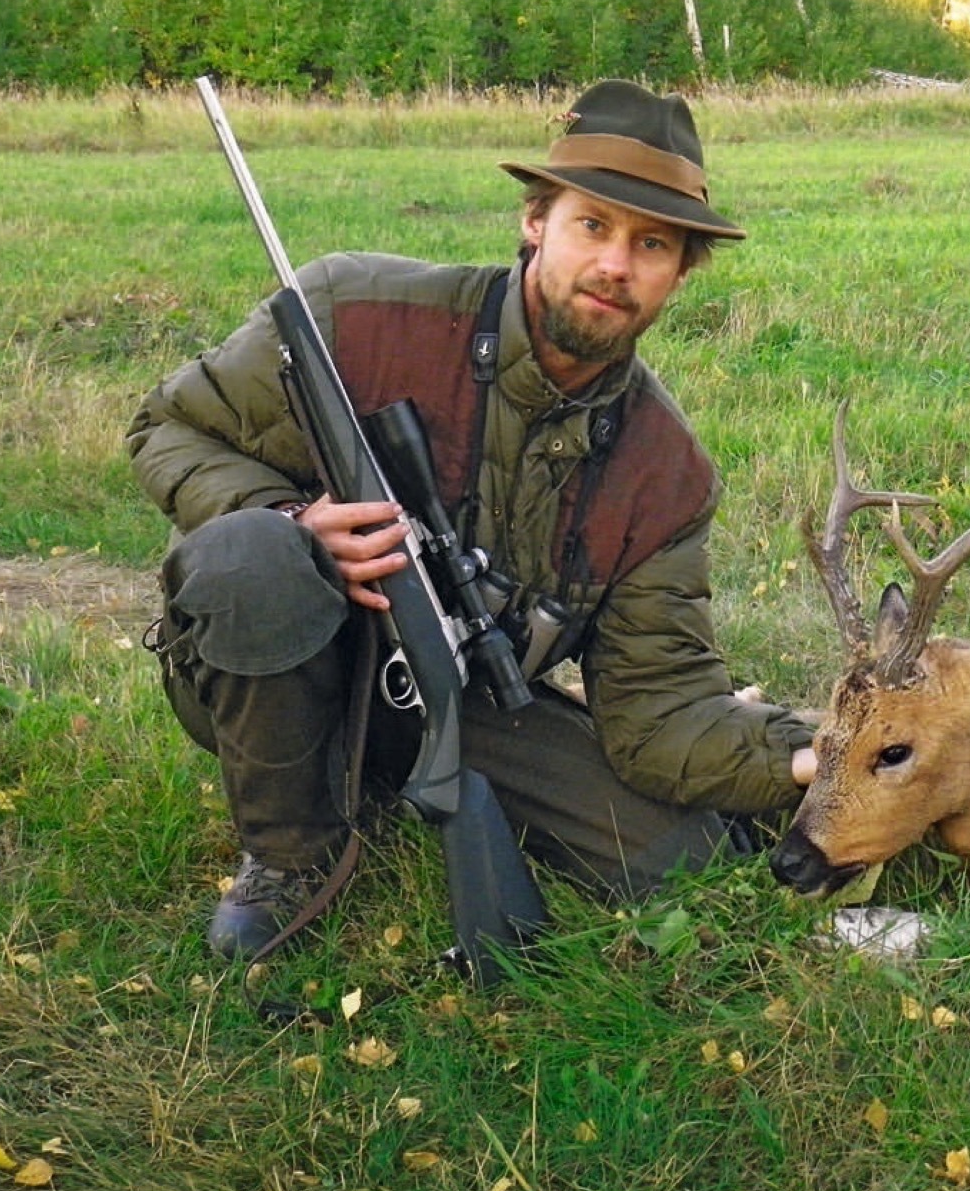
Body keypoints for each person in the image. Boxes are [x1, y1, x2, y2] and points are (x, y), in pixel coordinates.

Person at [130, 80, 817, 959]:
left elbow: (659, 715)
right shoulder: (355, 312)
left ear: (681, 273)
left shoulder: (666, 475)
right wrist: (295, 518)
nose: (616, 265)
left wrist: (821, 758)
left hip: (463, 700)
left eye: (653, 245)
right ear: (537, 221)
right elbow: (169, 427)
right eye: (593, 226)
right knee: (251, 558)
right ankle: (289, 851)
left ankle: (398, 780)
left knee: (686, 858)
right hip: (273, 665)